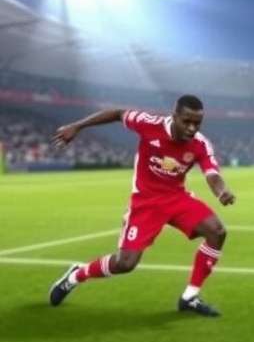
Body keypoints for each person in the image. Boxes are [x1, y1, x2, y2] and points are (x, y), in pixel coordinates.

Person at [48, 95, 236, 316]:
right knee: (125, 264)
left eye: (197, 123)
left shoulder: (200, 144)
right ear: (174, 116)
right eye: (186, 121)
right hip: (146, 203)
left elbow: (212, 174)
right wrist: (77, 126)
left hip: (177, 198)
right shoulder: (149, 124)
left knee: (217, 232)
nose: (192, 128)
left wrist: (221, 191)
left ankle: (189, 297)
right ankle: (76, 275)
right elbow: (118, 113)